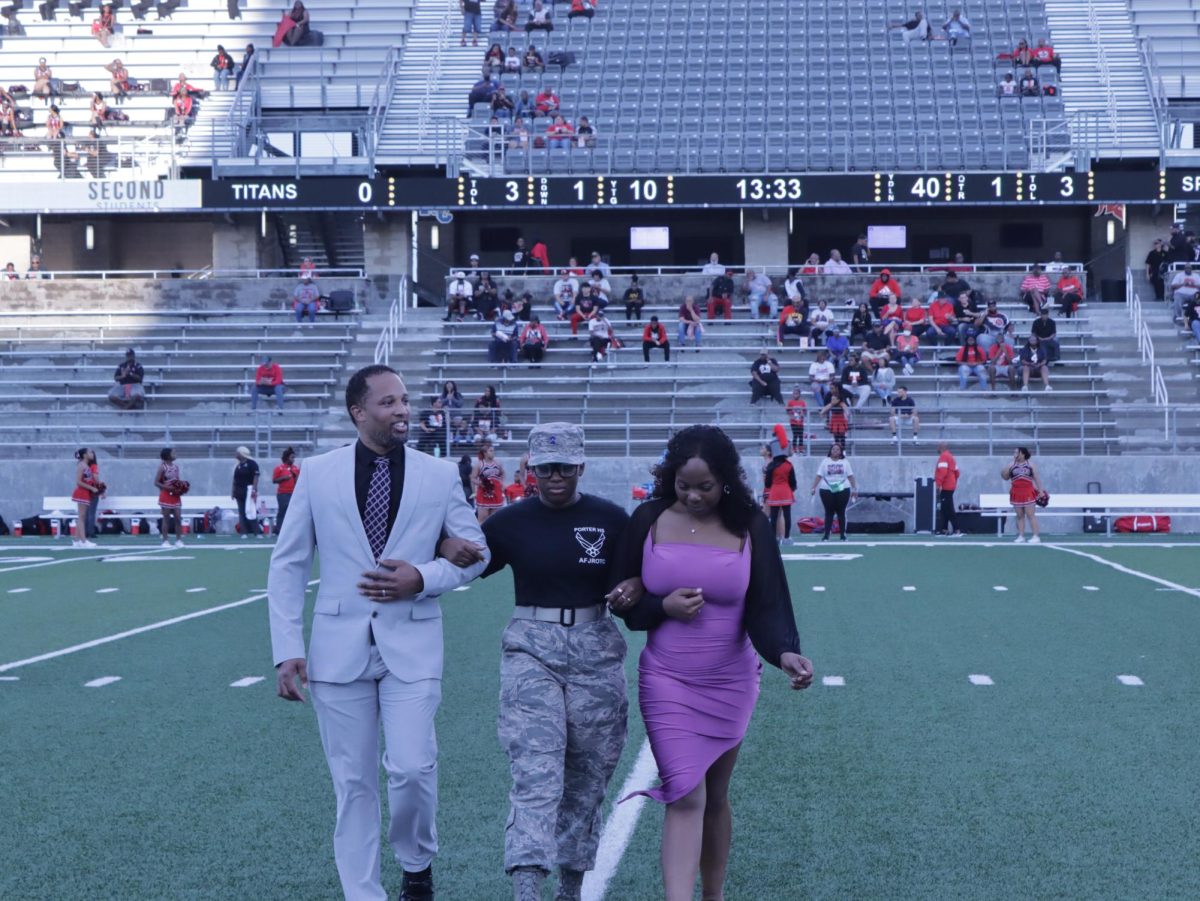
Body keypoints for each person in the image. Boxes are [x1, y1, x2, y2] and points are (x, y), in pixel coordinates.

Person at [268, 364, 489, 901]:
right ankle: (363, 893)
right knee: (354, 784)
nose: (403, 411)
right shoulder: (318, 474)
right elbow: (288, 563)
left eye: (405, 400)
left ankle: (416, 863)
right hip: (336, 649)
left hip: (412, 645)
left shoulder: (438, 474)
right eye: (388, 402)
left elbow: (476, 555)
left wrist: (424, 577)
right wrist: (287, 649)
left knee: (412, 768)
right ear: (358, 411)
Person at [612, 425, 812, 901]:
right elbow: (622, 601)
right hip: (666, 678)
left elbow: (767, 604)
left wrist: (785, 652)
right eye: (684, 485)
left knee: (716, 796)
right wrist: (660, 606)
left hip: (731, 679)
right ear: (670, 478)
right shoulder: (648, 519)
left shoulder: (750, 525)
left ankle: (713, 895)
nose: (694, 496)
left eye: (705, 486)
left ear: (726, 479)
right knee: (686, 792)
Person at [466, 423, 635, 901]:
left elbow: (636, 580)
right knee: (536, 769)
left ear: (580, 466)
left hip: (595, 649)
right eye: (544, 468)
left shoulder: (611, 519)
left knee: (588, 773)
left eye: (564, 466)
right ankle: (526, 886)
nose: (555, 475)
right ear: (531, 469)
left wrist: (635, 590)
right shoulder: (511, 521)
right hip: (530, 649)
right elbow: (467, 561)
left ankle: (570, 886)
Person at [810, 442, 856, 541]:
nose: (835, 451)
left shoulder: (845, 462)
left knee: (841, 512)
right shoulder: (825, 462)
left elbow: (850, 476)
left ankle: (843, 535)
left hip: (842, 488)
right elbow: (819, 475)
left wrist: (854, 489)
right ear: (830, 451)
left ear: (841, 452)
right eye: (833, 449)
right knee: (829, 512)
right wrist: (813, 487)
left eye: (837, 449)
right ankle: (826, 535)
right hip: (827, 488)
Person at [1001, 446, 1045, 543]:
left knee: (1030, 515)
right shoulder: (1011, 465)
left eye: (1017, 452)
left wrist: (1041, 491)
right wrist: (1006, 468)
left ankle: (1036, 536)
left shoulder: (1031, 465)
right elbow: (1005, 477)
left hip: (1028, 491)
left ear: (1023, 454)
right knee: (1019, 515)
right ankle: (1021, 536)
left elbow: (1037, 478)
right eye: (1014, 452)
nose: (1015, 454)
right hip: (1016, 492)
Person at [763, 436, 796, 541]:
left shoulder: (771, 466)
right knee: (787, 516)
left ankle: (774, 538)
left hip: (774, 492)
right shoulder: (789, 465)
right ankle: (786, 537)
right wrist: (791, 489)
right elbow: (793, 482)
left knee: (774, 516)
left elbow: (767, 483)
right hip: (786, 491)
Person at [154, 447, 187, 549]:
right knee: (166, 518)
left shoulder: (176, 467)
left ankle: (178, 540)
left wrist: (180, 488)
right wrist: (168, 488)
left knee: (178, 517)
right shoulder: (162, 467)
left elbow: (176, 481)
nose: (175, 454)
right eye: (173, 453)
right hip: (166, 495)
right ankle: (165, 541)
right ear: (168, 455)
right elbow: (156, 482)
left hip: (175, 496)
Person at [71, 448, 101, 547]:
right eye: (90, 452)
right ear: (84, 455)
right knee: (82, 517)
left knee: (82, 516)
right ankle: (84, 541)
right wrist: (91, 488)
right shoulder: (81, 465)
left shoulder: (86, 465)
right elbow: (78, 482)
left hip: (85, 492)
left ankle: (76, 540)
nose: (92, 454)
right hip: (81, 492)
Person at [472, 439, 505, 523]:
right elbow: (472, 478)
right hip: (484, 493)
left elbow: (502, 474)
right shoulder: (479, 464)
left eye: (493, 451)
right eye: (491, 451)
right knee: (483, 519)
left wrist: (501, 483)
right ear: (485, 453)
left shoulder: (498, 463)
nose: (493, 452)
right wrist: (481, 483)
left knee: (495, 519)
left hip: (496, 493)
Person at [232, 446, 262, 538]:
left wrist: (254, 489)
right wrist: (233, 492)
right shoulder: (238, 465)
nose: (236, 454)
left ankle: (257, 532)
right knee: (241, 512)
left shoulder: (252, 464)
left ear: (242, 453)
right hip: (239, 491)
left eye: (237, 452)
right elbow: (234, 480)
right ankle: (243, 532)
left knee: (251, 511)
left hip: (249, 490)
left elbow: (256, 477)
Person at [934, 442, 962, 536]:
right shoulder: (951, 457)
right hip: (950, 486)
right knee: (944, 508)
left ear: (941, 447)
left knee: (948, 508)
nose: (936, 448)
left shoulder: (943, 457)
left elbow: (942, 472)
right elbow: (957, 473)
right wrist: (953, 482)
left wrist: (938, 484)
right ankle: (944, 528)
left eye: (938, 446)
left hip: (946, 487)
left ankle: (957, 528)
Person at [272, 447, 299, 534]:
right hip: (283, 493)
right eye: (292, 457)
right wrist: (284, 478)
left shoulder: (296, 468)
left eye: (294, 457)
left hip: (293, 493)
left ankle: (291, 530)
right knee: (282, 511)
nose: (293, 459)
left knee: (293, 512)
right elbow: (274, 480)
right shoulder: (279, 468)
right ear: (287, 458)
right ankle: (279, 530)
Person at [819, 384, 850, 450]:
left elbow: (846, 409)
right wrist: (823, 412)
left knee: (842, 437)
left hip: (841, 420)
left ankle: (843, 450)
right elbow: (824, 410)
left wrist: (847, 414)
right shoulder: (831, 404)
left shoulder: (841, 403)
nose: (832, 400)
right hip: (834, 420)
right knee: (836, 437)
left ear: (838, 399)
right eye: (832, 399)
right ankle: (837, 449)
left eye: (834, 399)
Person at [786, 387, 807, 454]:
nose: (795, 395)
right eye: (794, 394)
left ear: (799, 394)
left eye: (797, 394)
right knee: (795, 435)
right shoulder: (790, 402)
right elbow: (787, 410)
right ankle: (794, 448)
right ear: (792, 394)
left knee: (801, 436)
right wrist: (792, 416)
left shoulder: (802, 402)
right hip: (793, 422)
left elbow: (805, 411)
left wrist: (802, 414)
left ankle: (800, 448)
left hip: (800, 422)